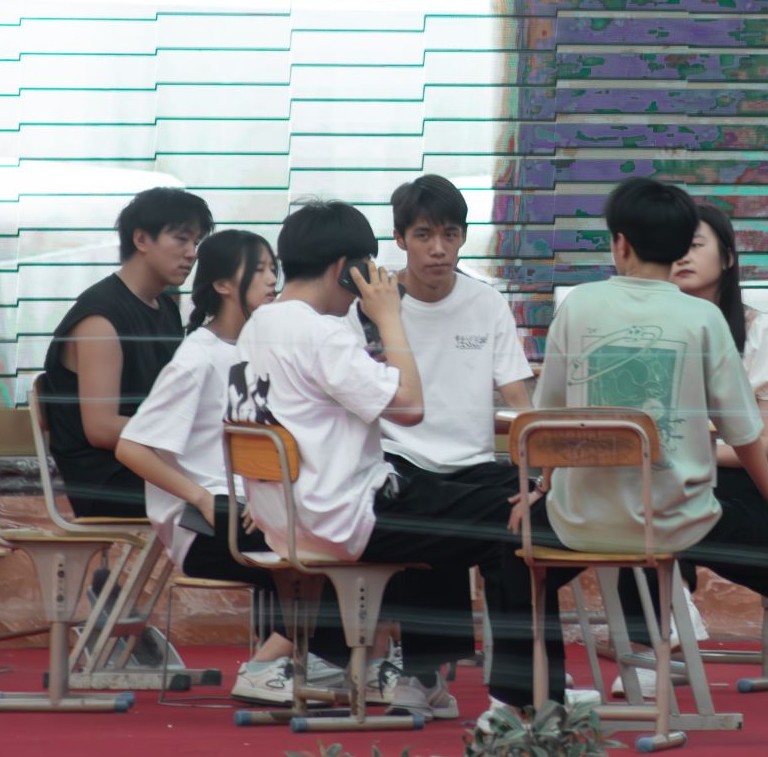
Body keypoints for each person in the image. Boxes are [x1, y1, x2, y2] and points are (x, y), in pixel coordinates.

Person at [515, 178, 768, 746]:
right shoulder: (704, 320)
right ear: (679, 247)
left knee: (509, 555)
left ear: (619, 243)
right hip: (678, 518)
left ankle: (526, 704)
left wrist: (543, 488)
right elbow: (745, 432)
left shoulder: (577, 305)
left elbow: (550, 415)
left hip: (583, 516)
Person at [226, 198, 547, 721]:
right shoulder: (322, 333)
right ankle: (521, 700)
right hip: (346, 514)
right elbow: (411, 408)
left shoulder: (259, 326)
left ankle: (429, 675)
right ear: (345, 270)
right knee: (519, 517)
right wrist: (390, 318)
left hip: (285, 520)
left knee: (453, 502)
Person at [114, 229, 345, 705]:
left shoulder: (262, 348)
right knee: (330, 549)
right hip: (203, 522)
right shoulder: (196, 359)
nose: (272, 279)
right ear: (222, 284)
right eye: (258, 270)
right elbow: (132, 448)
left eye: (273, 268)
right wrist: (204, 498)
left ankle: (317, 658)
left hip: (256, 506)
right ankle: (268, 665)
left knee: (353, 536)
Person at [608, 201, 768, 692]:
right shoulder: (649, 332)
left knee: (660, 494)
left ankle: (664, 629)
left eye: (695, 245)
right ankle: (656, 644)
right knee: (638, 496)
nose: (683, 257)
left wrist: (692, 452)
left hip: (740, 480)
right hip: (666, 477)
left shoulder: (761, 331)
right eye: (675, 247)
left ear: (728, 257)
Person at [370, 175, 534, 682]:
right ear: (400, 238)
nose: (438, 249)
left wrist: (540, 474)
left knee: (526, 516)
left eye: (450, 234)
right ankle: (427, 673)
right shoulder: (375, 304)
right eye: (423, 235)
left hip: (474, 465)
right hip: (397, 461)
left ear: (463, 237)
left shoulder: (486, 303)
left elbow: (519, 399)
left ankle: (519, 679)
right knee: (430, 508)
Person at [39, 186, 212, 520]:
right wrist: (189, 436)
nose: (192, 253)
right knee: (234, 503)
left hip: (149, 464)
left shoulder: (164, 306)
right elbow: (101, 428)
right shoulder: (100, 318)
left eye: (197, 242)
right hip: (109, 481)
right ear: (141, 239)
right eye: (181, 239)